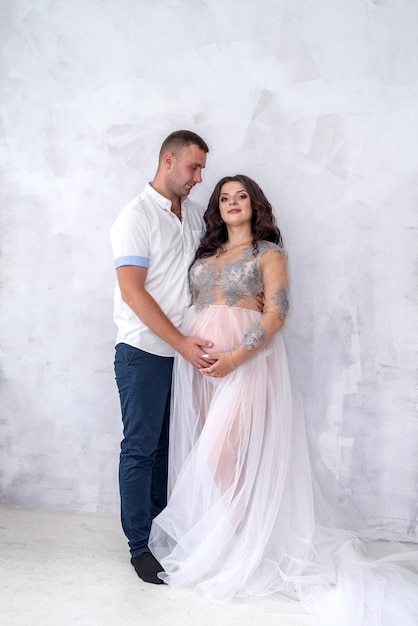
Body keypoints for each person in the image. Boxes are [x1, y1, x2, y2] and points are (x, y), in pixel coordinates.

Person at [149, 175, 418, 624]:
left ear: (256, 205)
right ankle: (235, 538)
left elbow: (278, 312)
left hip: (247, 363)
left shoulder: (268, 253)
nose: (233, 203)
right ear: (217, 208)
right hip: (198, 366)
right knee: (212, 459)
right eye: (225, 197)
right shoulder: (207, 252)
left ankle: (242, 550)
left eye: (242, 196)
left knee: (220, 456)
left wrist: (234, 356)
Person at [109, 130, 216, 585]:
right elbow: (133, 293)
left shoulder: (191, 216)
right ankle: (139, 547)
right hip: (143, 351)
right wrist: (180, 343)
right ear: (168, 160)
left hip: (180, 351)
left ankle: (158, 530)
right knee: (140, 448)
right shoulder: (135, 216)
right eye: (193, 168)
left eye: (202, 170)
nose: (198, 178)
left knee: (168, 447)